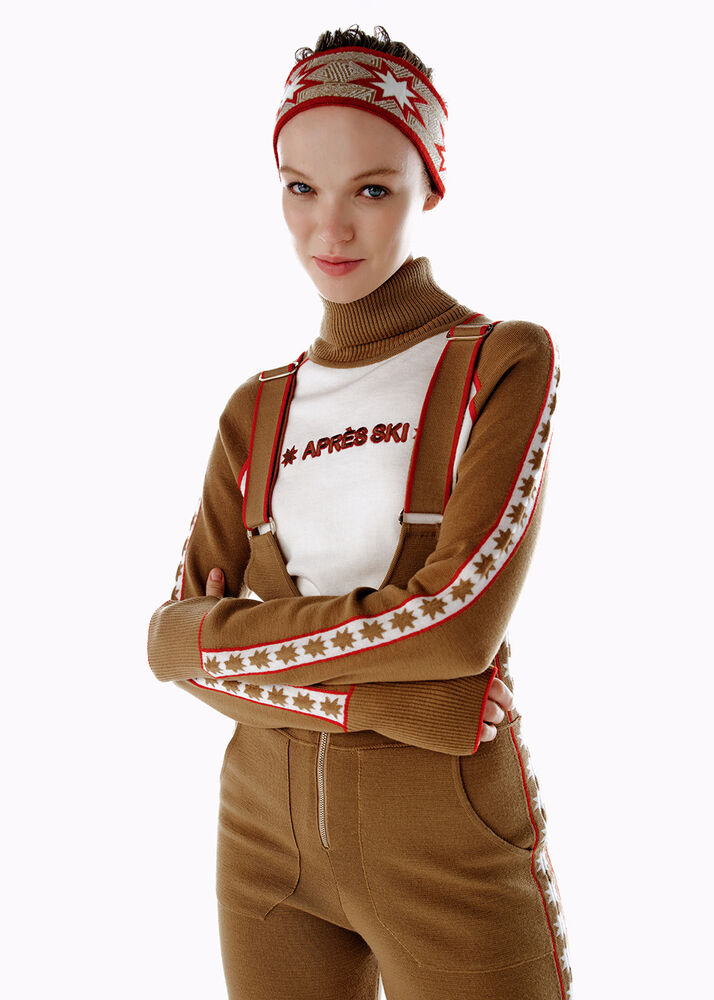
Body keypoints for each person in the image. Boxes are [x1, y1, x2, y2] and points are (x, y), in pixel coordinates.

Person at [147, 23, 572, 1000]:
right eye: (301, 188)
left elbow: (456, 624)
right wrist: (399, 701)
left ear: (430, 184)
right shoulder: (256, 410)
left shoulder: (499, 362)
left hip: (448, 842)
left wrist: (223, 638)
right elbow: (173, 643)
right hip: (261, 840)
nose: (328, 231)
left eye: (372, 190)